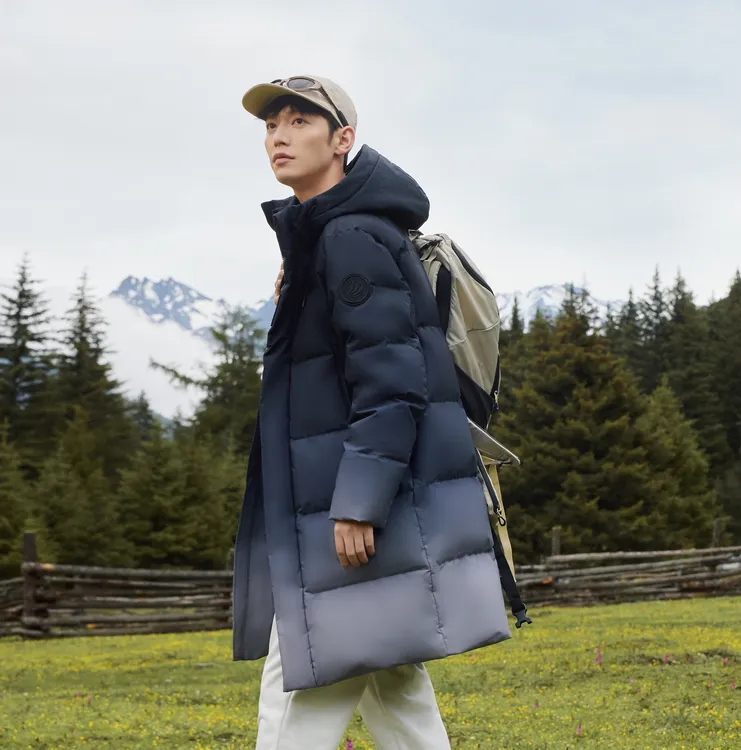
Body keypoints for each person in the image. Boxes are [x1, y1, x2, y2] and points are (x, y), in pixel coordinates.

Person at [232, 75, 511, 750]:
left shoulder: (350, 237)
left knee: (308, 676)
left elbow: (392, 382)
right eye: (271, 125)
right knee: (392, 684)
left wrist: (360, 501)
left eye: (300, 121)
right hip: (337, 496)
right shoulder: (329, 237)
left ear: (343, 140)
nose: (279, 136)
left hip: (347, 503)